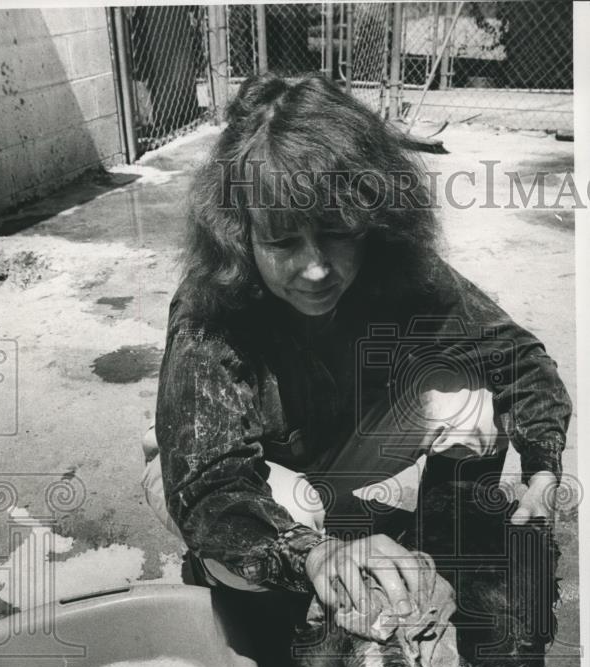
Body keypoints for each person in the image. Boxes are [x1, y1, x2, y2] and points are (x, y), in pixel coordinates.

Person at [144, 73, 572, 630]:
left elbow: (516, 354)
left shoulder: (395, 267)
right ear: (238, 235)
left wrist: (542, 468)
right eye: (282, 242)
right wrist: (314, 554)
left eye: (338, 232)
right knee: (287, 522)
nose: (317, 268)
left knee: (473, 399)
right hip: (213, 475)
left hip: (331, 452)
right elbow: (211, 487)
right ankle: (245, 588)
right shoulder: (211, 306)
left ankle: (438, 550)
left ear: (372, 218)